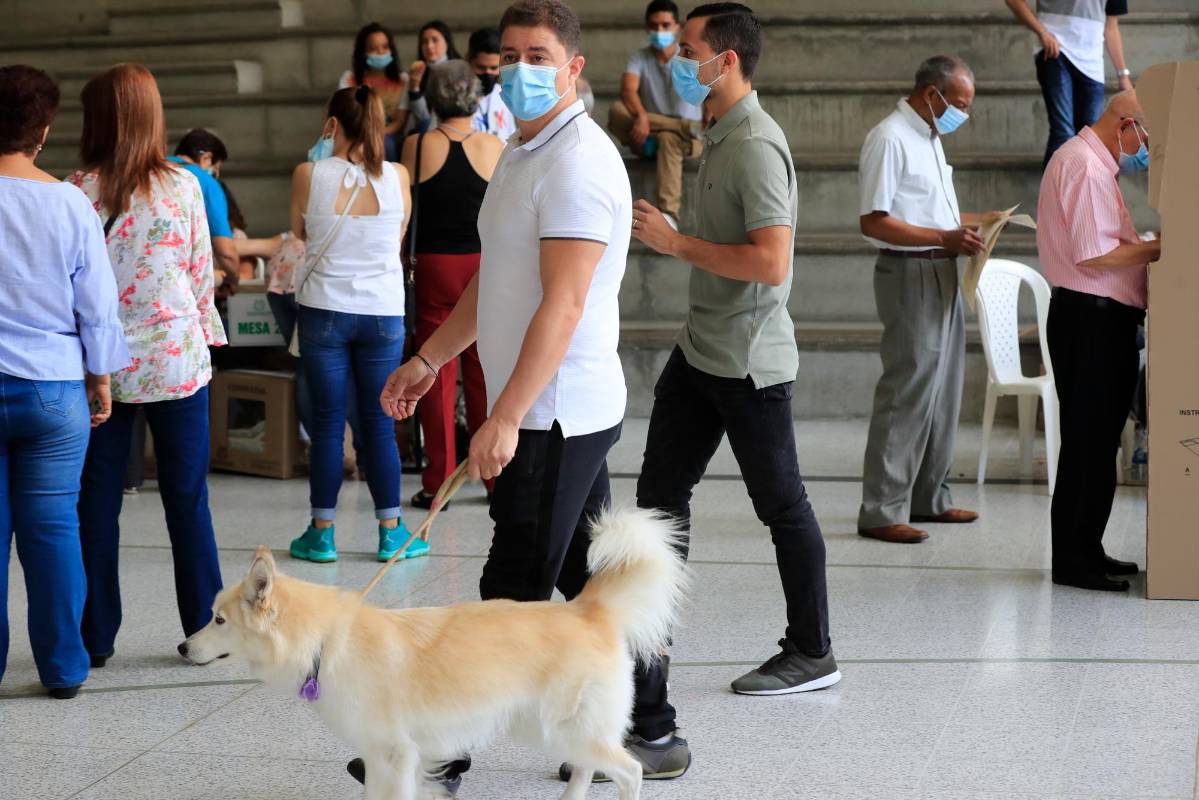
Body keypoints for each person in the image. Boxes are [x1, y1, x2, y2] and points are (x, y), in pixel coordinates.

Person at [374, 0, 630, 792]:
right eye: (510, 55)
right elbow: (498, 281)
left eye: (538, 56)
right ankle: (648, 722)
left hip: (555, 412)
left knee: (504, 597)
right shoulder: (521, 150)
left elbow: (563, 303)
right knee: (590, 580)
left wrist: (506, 415)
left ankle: (437, 754)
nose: (519, 69)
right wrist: (429, 358)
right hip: (549, 409)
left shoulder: (577, 164)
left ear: (572, 68)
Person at [619, 2, 839, 780]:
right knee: (657, 500)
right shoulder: (712, 131)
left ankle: (811, 649)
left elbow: (771, 262)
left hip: (748, 362)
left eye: (687, 49)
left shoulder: (755, 144)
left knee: (781, 505)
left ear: (727, 60)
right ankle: (646, 652)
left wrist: (673, 242)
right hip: (699, 349)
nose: (675, 59)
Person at [70, 64, 227, 670]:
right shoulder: (185, 185)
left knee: (96, 504)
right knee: (187, 500)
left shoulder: (76, 190)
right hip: (175, 363)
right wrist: (202, 334)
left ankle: (95, 635)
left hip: (101, 369)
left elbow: (71, 287)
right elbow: (199, 274)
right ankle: (204, 631)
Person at [0, 65, 129, 700]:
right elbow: (96, 305)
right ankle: (63, 669)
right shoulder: (70, 203)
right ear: (44, 131)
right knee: (54, 530)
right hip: (53, 387)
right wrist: (99, 378)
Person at [855, 55, 1002, 545]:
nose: (964, 113)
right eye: (959, 103)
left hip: (940, 268)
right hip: (909, 273)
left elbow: (930, 211)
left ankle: (928, 497)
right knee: (908, 388)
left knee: (943, 388)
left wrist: (979, 221)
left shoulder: (930, 137)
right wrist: (944, 237)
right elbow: (874, 221)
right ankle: (880, 509)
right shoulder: (890, 138)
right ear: (931, 93)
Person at [287, 85, 417, 565]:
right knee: (380, 423)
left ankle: (321, 535)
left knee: (326, 424)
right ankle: (391, 533)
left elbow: (300, 234)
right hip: (383, 312)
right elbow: (396, 238)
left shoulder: (308, 173)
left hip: (324, 309)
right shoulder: (398, 176)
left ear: (332, 123)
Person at [1037, 90, 1158, 592]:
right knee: (1087, 443)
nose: (1146, 149)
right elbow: (1095, 254)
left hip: (1100, 319)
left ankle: (1088, 548)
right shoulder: (1084, 167)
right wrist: (1161, 248)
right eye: (1146, 138)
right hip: (1090, 321)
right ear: (1127, 124)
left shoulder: (1093, 164)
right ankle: (1074, 561)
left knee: (1098, 442)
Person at [401, 60, 505, 509]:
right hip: (484, 265)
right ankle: (494, 479)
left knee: (435, 368)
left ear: (433, 99)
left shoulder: (417, 145)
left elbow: (407, 212)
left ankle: (438, 481)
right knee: (485, 370)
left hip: (434, 265)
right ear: (476, 99)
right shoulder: (493, 145)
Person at [608, 0, 703, 229]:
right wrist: (641, 116)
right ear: (646, 27)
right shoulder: (639, 57)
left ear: (677, 27)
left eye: (665, 25)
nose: (659, 31)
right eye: (654, 25)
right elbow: (628, 90)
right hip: (649, 135)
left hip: (688, 140)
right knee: (617, 111)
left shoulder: (688, 57)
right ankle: (681, 126)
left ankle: (669, 215)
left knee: (669, 139)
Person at [1005, 0, 1134, 168]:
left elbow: (1111, 26)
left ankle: (1082, 185)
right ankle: (1053, 185)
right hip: (1055, 51)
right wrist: (1042, 32)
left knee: (1090, 138)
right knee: (1063, 132)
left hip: (1092, 61)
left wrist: (1123, 74)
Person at [170, 129, 240, 297]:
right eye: (215, 169)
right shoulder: (206, 182)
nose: (215, 175)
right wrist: (232, 279)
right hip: (176, 285)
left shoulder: (145, 170)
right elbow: (226, 252)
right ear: (206, 158)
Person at [339, 22, 410, 161]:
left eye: (385, 47)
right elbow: (345, 117)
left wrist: (376, 136)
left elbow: (400, 121)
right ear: (363, 52)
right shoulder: (349, 80)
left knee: (385, 144)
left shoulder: (403, 80)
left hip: (389, 137)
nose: (380, 52)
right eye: (373, 48)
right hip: (357, 136)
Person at [406, 20, 463, 134]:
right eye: (424, 42)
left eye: (435, 40)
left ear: (447, 42)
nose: (429, 46)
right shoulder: (417, 71)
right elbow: (422, 118)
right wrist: (414, 88)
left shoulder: (459, 71)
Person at [467, 27, 517, 141]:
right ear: (469, 61)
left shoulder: (504, 96)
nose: (487, 73)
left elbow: (511, 139)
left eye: (493, 68)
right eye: (481, 67)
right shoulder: (454, 97)